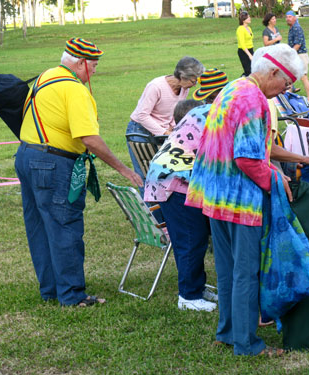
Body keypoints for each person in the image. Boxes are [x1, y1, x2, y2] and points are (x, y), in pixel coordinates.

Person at [186, 44, 304, 356]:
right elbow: (249, 160)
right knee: (246, 273)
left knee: (227, 271)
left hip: (215, 195)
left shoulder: (232, 88)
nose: (284, 91)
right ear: (274, 71)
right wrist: (276, 183)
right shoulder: (255, 99)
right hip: (239, 199)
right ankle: (247, 343)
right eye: (286, 83)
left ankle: (228, 332)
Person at [15, 38, 142, 307]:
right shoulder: (74, 89)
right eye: (94, 65)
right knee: (64, 225)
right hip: (53, 163)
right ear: (81, 63)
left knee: (39, 225)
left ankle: (51, 289)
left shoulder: (45, 77)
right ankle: (72, 295)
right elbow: (89, 138)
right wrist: (123, 169)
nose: (95, 70)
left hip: (27, 156)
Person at [144, 69, 229, 312]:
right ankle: (188, 297)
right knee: (191, 239)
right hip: (175, 182)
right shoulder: (215, 117)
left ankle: (197, 287)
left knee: (196, 237)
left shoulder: (200, 111)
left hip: (172, 179)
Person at [126, 57, 204, 187]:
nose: (195, 84)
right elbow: (142, 115)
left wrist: (174, 129)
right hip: (140, 131)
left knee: (162, 173)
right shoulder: (156, 86)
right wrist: (165, 132)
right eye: (194, 80)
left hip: (163, 133)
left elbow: (173, 113)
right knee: (146, 175)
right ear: (183, 76)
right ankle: (147, 207)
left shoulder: (184, 88)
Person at [286, 10, 309, 101]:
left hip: (301, 55)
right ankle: (288, 96)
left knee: (303, 77)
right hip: (295, 55)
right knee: (289, 75)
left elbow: (298, 44)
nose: (288, 19)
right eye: (287, 17)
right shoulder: (292, 27)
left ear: (295, 18)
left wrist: (289, 54)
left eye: (290, 17)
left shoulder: (297, 28)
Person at [236, 11, 254, 77]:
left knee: (253, 69)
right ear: (243, 20)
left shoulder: (249, 28)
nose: (249, 18)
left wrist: (251, 53)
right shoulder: (240, 29)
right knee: (248, 71)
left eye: (249, 17)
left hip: (250, 49)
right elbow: (242, 44)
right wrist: (249, 55)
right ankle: (240, 81)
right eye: (247, 17)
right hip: (244, 52)